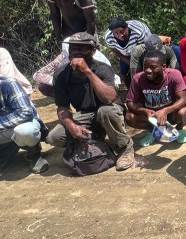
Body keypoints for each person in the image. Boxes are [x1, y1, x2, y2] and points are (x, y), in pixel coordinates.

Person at [45, 32, 135, 171]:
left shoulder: (102, 68)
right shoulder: (61, 74)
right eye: (73, 48)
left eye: (81, 49)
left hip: (108, 109)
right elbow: (62, 107)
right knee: (54, 137)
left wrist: (87, 71)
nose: (76, 52)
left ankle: (125, 148)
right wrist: (71, 126)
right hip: (85, 113)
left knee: (106, 111)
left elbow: (109, 98)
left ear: (93, 51)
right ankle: (93, 139)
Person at [126, 49, 186, 147]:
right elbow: (130, 102)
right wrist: (145, 111)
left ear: (163, 67)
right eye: (145, 67)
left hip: (171, 113)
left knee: (184, 112)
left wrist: (165, 110)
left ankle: (179, 129)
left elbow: (183, 99)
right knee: (130, 117)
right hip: (151, 116)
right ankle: (152, 131)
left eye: (153, 67)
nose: (148, 70)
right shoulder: (137, 79)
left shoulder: (174, 75)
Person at [32, 36, 120, 97]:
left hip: (105, 86)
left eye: (78, 48)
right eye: (72, 48)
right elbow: (37, 75)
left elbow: (105, 79)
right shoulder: (64, 56)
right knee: (44, 87)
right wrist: (58, 82)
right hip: (80, 85)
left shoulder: (96, 57)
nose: (75, 52)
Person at [103, 17, 151, 85]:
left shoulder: (138, 31)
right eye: (116, 33)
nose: (120, 35)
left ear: (127, 28)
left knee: (142, 71)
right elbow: (119, 54)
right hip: (124, 53)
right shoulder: (108, 37)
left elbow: (142, 51)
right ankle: (131, 92)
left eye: (122, 31)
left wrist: (137, 67)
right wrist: (131, 65)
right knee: (125, 73)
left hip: (143, 47)